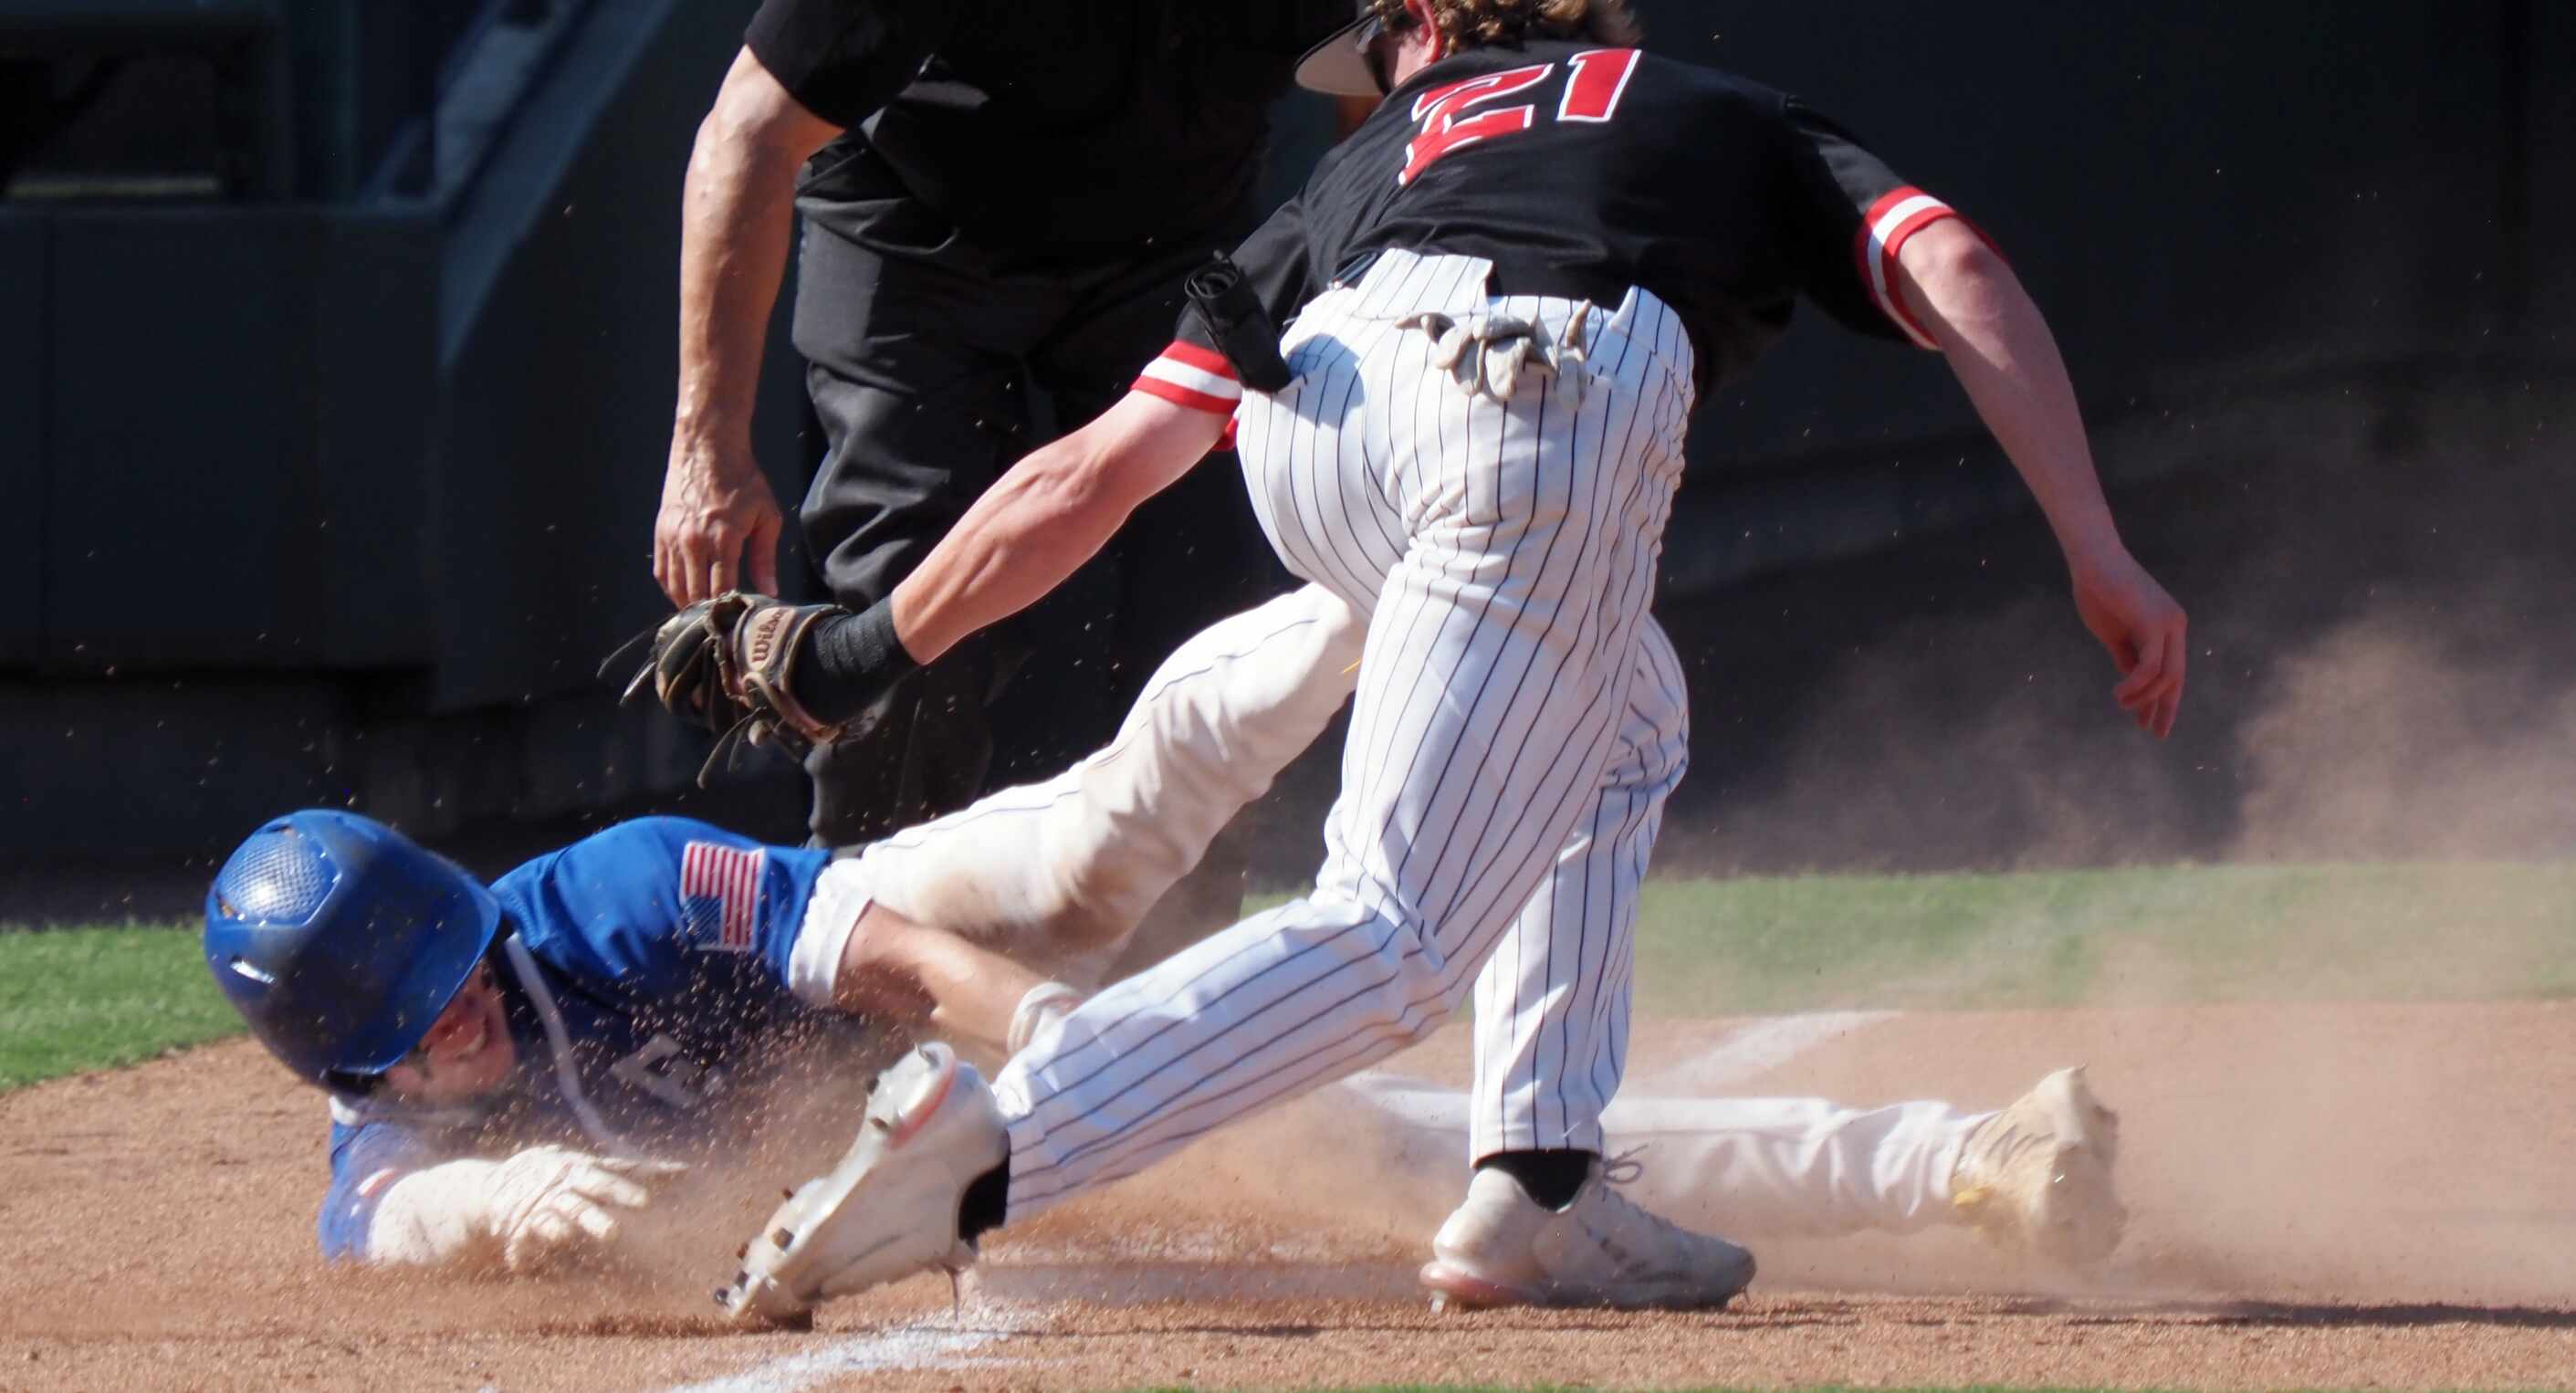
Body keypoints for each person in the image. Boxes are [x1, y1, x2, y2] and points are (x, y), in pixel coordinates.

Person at [680, 0, 2187, 1325]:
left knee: (1616, 714)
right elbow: (1954, 267)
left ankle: (1536, 1182)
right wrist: (2093, 545)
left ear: (1410, 31)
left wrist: (867, 646)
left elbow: (1090, 474)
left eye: (1373, 50)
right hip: (1528, 401)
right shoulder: (1698, 103)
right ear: (1577, 8)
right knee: (1394, 930)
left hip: (1320, 428)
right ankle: (990, 1149)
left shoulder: (1353, 175)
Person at [207, 591, 2122, 1275]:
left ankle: (1405, 594)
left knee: (1107, 834)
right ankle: (1961, 1160)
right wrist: (488, 1222)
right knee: (1423, 1163)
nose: (464, 1014)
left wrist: (1077, 1052)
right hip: (915, 1137)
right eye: (420, 1024)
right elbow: (381, 1227)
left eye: (456, 963)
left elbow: (885, 957)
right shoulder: (390, 1133)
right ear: (353, 1065)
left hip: (919, 971)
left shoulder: (608, 895)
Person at [652, 0, 1432, 891]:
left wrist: (1346, 333)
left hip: (1175, 253)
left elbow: (1378, 122)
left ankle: (1173, 983)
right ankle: (862, 961)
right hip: (916, 242)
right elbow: (748, 133)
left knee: (1216, 610)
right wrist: (711, 443)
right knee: (909, 600)